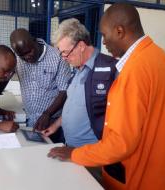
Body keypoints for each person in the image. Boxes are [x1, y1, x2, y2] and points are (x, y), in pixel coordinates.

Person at [48, 3, 165, 190]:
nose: (103, 42)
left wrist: (75, 154)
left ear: (119, 31)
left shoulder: (133, 70)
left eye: (104, 34)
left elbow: (120, 144)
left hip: (136, 174)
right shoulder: (164, 60)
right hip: (159, 171)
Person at [41, 18, 117, 147]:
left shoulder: (110, 69)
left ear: (81, 46)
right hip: (70, 147)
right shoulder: (78, 69)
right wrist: (55, 125)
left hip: (91, 152)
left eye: (65, 53)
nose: (64, 59)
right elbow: (74, 105)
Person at [10, 29, 71, 142]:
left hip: (53, 121)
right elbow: (4, 76)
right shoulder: (16, 58)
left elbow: (64, 91)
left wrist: (47, 114)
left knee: (52, 152)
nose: (26, 57)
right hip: (30, 118)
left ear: (34, 41)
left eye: (29, 52)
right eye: (22, 56)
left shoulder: (57, 57)